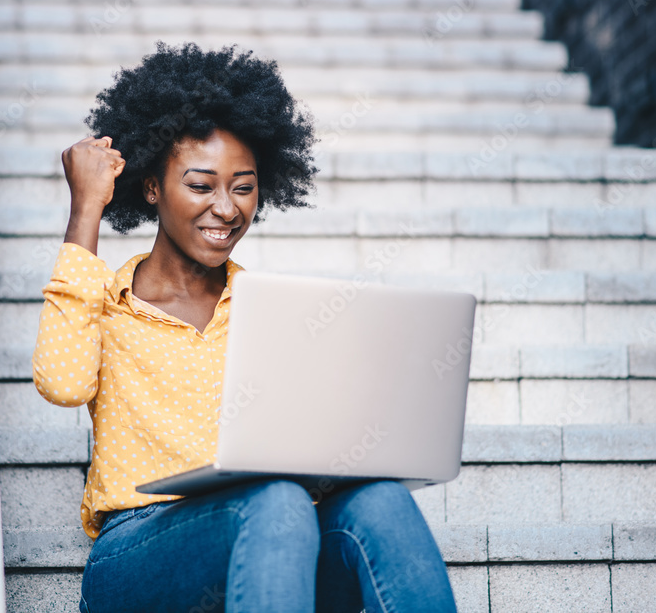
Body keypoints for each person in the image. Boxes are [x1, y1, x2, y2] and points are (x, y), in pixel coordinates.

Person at [31, 40, 457, 613]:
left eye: (243, 186)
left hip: (271, 538)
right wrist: (87, 209)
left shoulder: (271, 311)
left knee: (379, 501)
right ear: (153, 188)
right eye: (201, 186)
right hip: (137, 552)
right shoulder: (101, 298)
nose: (227, 208)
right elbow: (62, 383)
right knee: (275, 501)